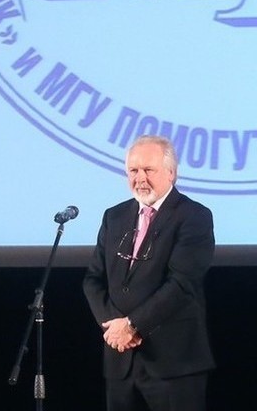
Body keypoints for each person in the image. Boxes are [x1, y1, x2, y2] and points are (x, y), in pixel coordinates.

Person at [83, 135, 215, 411]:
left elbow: (181, 284)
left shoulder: (194, 216)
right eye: (133, 170)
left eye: (148, 170)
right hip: (120, 360)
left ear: (171, 172)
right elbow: (93, 279)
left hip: (173, 363)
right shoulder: (114, 216)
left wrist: (132, 325)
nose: (140, 178)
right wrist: (115, 327)